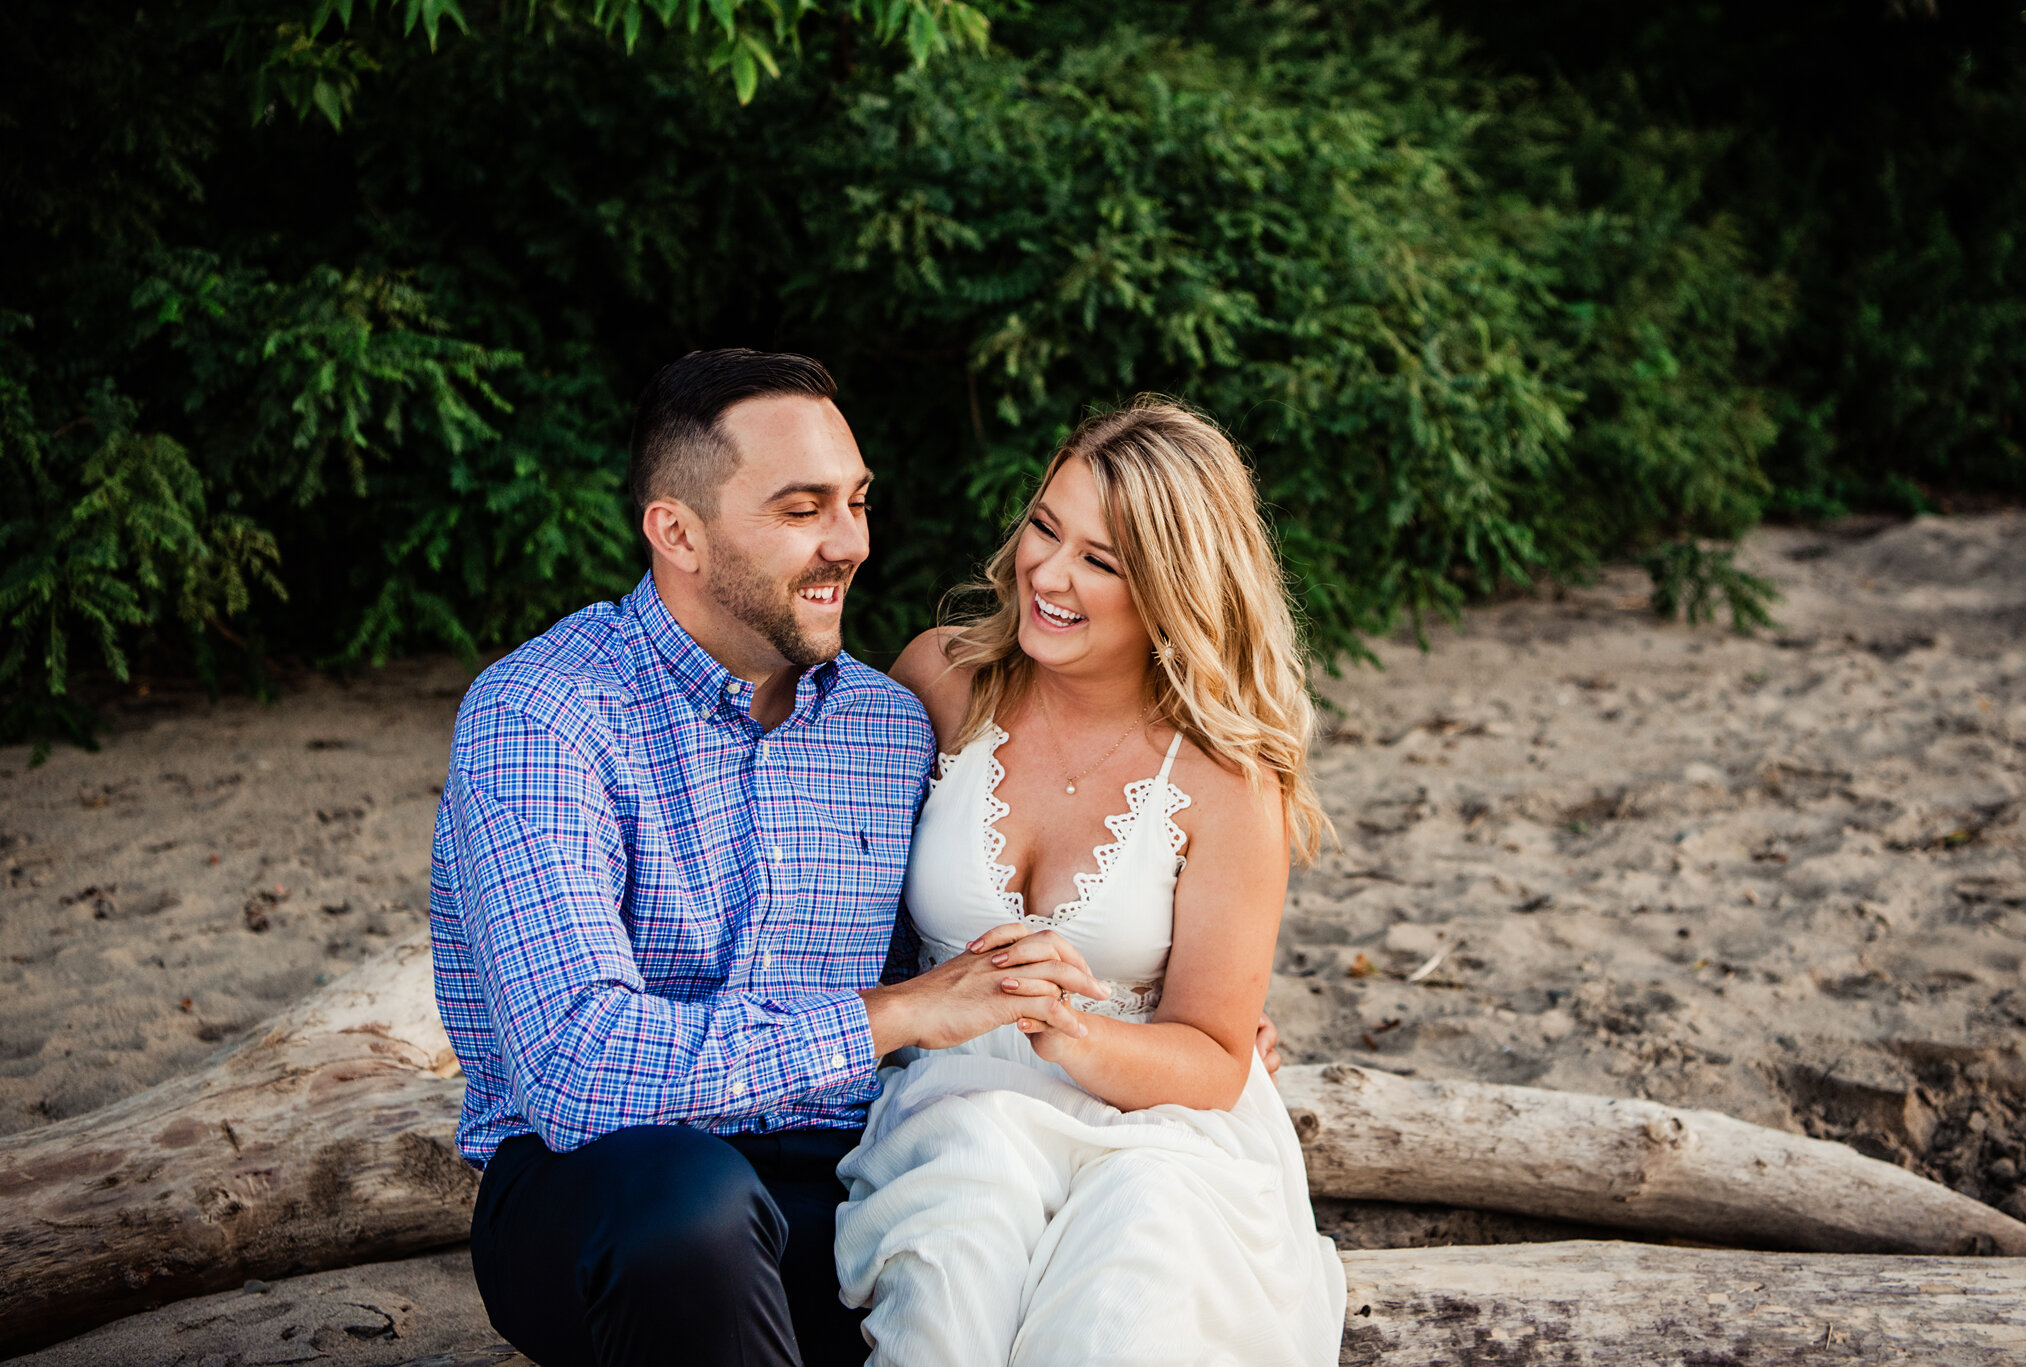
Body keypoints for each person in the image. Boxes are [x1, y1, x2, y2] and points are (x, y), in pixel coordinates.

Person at [430, 348, 1287, 1367]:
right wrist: (902, 1012)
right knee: (694, 1210)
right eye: (802, 509)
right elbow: (578, 1068)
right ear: (677, 532)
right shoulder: (543, 717)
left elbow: (948, 959)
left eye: (856, 502)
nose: (849, 542)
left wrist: (1161, 1030)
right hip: (612, 1184)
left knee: (1021, 1256)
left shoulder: (885, 722)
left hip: (844, 1170)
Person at [836, 400, 1347, 1364]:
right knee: (960, 1241)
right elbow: (828, 893)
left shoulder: (1227, 778)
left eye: (1101, 560)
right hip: (954, 1100)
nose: (1048, 573)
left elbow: (1210, 1057)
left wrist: (1066, 1024)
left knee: (1135, 1266)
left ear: (1174, 589)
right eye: (1044, 526)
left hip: (1156, 1123)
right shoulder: (941, 681)